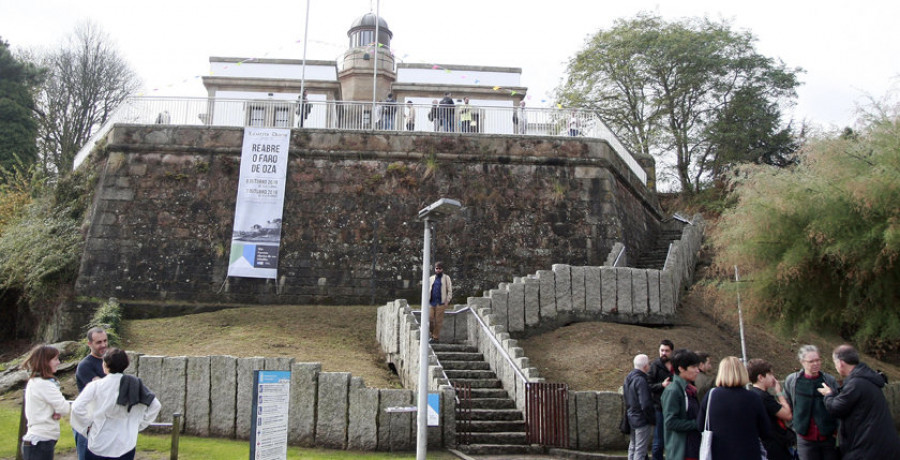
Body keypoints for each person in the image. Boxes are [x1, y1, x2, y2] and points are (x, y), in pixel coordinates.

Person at [71, 348, 161, 460]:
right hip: (125, 443)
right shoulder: (135, 384)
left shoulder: (96, 386)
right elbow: (155, 405)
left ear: (105, 364)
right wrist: (138, 424)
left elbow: (76, 408)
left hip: (99, 442)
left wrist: (86, 427)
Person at [818, 344, 900, 459]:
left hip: (869, 449)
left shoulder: (856, 384)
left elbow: (836, 407)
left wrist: (828, 394)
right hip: (882, 445)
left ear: (841, 363)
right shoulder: (867, 378)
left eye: (835, 363)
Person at [697, 356, 771, 460]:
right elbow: (766, 432)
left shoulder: (711, 396)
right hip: (749, 453)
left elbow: (700, 426)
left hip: (718, 453)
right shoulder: (753, 398)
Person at [783, 345, 839, 460]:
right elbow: (787, 404)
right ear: (802, 362)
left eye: (818, 360)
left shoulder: (829, 380)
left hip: (828, 437)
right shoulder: (793, 382)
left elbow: (838, 405)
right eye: (811, 361)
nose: (815, 364)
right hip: (804, 438)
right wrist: (795, 427)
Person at [21, 345, 70, 460]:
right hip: (40, 441)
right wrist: (59, 410)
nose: (58, 362)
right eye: (55, 359)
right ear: (45, 362)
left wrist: (56, 410)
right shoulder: (44, 384)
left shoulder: (35, 382)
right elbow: (64, 408)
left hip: (39, 441)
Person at [747, 358, 792, 460]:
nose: (773, 378)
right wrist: (779, 392)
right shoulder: (764, 397)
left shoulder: (752, 394)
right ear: (761, 377)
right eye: (770, 374)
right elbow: (787, 415)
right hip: (774, 445)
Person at [660, 348, 701, 460]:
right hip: (681, 451)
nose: (697, 370)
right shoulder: (673, 391)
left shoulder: (690, 389)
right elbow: (670, 422)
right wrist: (696, 424)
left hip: (693, 447)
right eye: (693, 367)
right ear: (681, 368)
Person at [74, 327, 108, 460]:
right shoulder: (85, 365)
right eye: (98, 342)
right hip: (88, 423)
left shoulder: (109, 362)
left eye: (105, 341)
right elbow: (100, 390)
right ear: (89, 344)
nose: (103, 345)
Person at [624, 354, 655, 460]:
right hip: (641, 419)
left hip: (631, 417)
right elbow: (645, 403)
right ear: (646, 366)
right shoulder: (641, 380)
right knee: (640, 450)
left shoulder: (628, 378)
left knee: (633, 446)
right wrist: (652, 419)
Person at [647, 339, 674, 460]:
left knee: (673, 438)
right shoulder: (655, 365)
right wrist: (661, 385)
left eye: (666, 351)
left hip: (674, 407)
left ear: (671, 352)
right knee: (659, 440)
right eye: (662, 350)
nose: (664, 353)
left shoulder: (676, 365)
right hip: (660, 407)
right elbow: (648, 385)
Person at [427, 261, 452, 343]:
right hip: (431, 302)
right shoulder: (431, 278)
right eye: (436, 268)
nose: (438, 270)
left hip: (441, 303)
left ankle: (435, 337)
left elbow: (449, 290)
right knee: (430, 319)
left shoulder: (446, 278)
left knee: (438, 321)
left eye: (439, 269)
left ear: (442, 269)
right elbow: (427, 290)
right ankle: (432, 334)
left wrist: (447, 300)